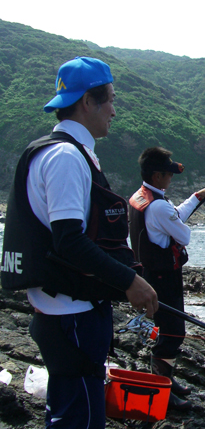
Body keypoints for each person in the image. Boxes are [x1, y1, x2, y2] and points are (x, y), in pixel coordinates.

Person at [0, 56, 158, 428]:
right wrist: (129, 281)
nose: (114, 111)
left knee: (69, 412)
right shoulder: (66, 157)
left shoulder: (60, 151)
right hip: (71, 316)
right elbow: (69, 241)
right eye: (111, 100)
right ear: (88, 101)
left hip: (64, 311)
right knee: (81, 419)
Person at [129, 147, 205, 410]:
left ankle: (166, 380)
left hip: (149, 273)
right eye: (168, 173)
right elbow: (184, 234)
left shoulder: (141, 197)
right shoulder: (157, 207)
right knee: (173, 332)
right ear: (157, 176)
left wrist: (196, 198)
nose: (171, 177)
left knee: (166, 327)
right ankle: (162, 391)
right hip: (163, 277)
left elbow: (172, 216)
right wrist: (182, 217)